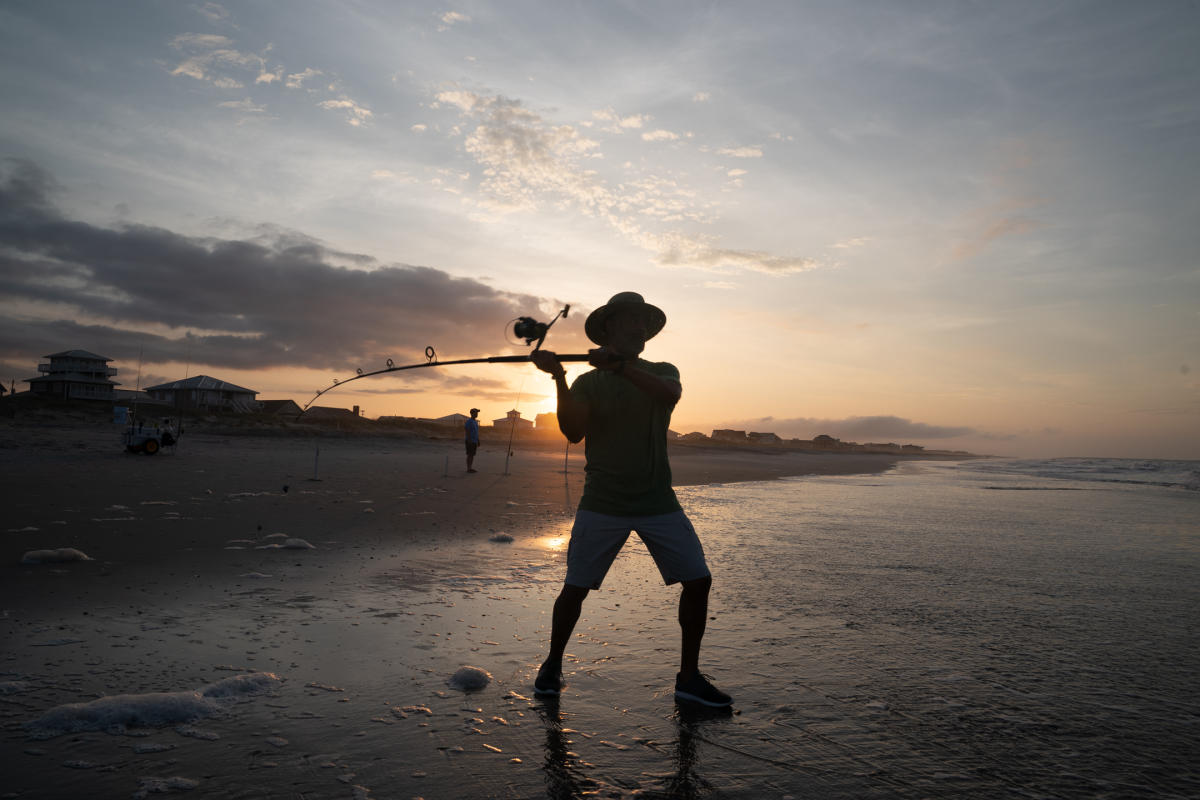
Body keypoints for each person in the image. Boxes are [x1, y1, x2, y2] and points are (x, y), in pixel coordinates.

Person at [529, 291, 731, 707]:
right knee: (576, 587)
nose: (639, 327)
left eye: (643, 321)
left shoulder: (662, 370)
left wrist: (619, 367)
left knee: (699, 580)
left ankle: (688, 677)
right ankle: (552, 664)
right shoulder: (587, 381)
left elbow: (667, 394)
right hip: (602, 501)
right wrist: (559, 377)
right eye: (629, 320)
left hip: (659, 500)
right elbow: (572, 431)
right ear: (608, 328)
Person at [465, 408, 481, 473]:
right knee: (470, 454)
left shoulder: (475, 422)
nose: (477, 414)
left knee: (472, 455)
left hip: (474, 441)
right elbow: (467, 431)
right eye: (475, 412)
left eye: (477, 413)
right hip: (470, 441)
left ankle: (470, 468)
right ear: (472, 413)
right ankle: (468, 469)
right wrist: (469, 440)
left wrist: (478, 440)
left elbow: (476, 432)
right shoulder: (469, 421)